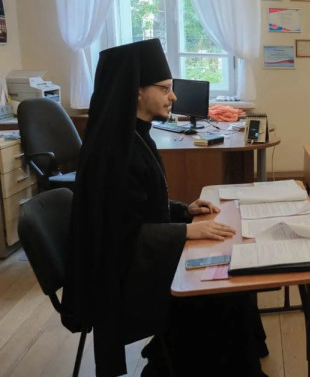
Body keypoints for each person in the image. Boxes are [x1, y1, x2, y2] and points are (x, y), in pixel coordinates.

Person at [61, 39, 267, 376]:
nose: (173, 97)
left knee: (230, 275)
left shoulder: (135, 135)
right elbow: (122, 235)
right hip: (127, 279)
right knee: (226, 285)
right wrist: (186, 231)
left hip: (148, 257)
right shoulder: (114, 153)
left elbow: (140, 207)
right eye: (165, 89)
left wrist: (184, 211)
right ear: (137, 91)